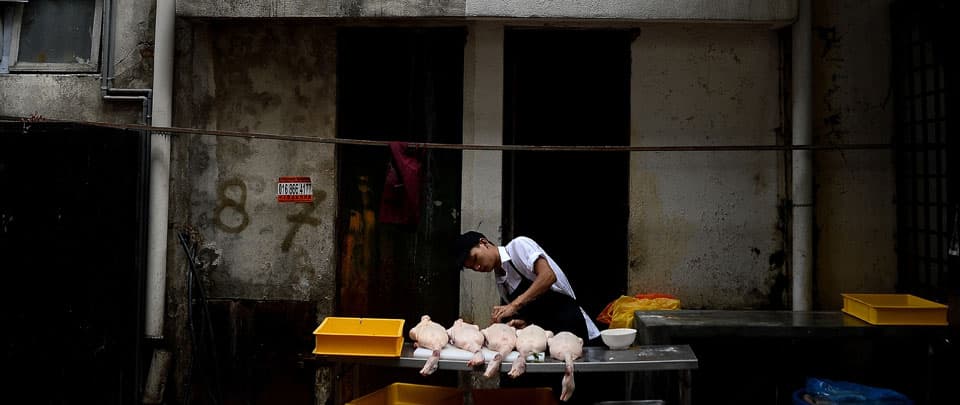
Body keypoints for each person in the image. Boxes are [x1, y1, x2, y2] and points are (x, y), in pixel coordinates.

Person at [453, 230, 600, 343]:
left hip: (574, 327)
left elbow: (548, 276)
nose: (477, 267)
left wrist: (514, 305)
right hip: (548, 339)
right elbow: (539, 311)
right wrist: (525, 324)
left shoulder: (518, 246)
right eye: (472, 267)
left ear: (484, 242)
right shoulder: (501, 283)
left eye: (475, 259)